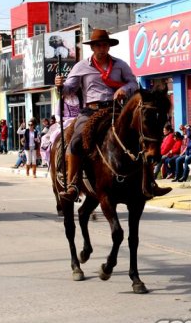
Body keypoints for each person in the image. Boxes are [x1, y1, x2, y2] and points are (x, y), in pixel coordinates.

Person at [55, 29, 170, 203]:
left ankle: (150, 182)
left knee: (141, 138)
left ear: (109, 47)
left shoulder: (120, 65)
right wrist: (60, 86)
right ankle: (73, 185)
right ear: (92, 47)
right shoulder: (81, 66)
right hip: (91, 111)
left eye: (105, 45)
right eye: (98, 46)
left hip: (117, 110)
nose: (102, 48)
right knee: (76, 140)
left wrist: (124, 89)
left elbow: (133, 83)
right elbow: (69, 89)